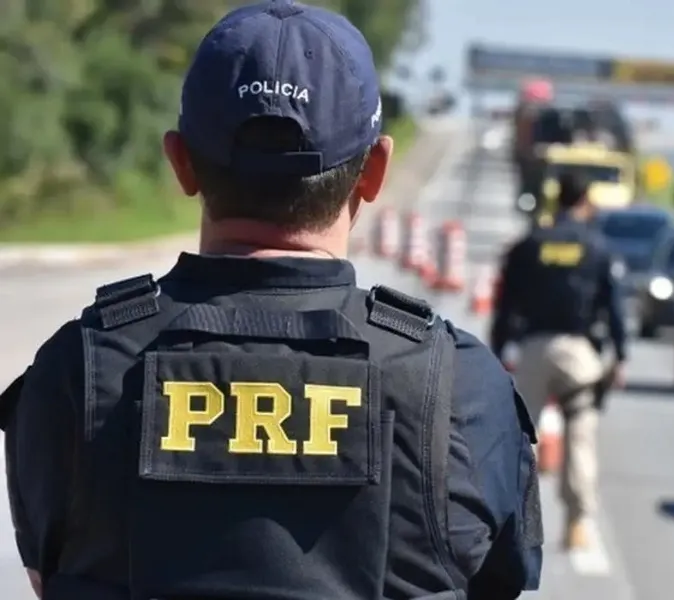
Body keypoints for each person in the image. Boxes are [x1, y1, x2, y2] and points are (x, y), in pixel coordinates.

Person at [0, 2, 542, 599]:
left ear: (181, 162)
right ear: (375, 171)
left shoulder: (75, 369)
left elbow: (45, 575)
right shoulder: (459, 385)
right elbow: (499, 582)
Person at [490, 172, 627, 551]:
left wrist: (499, 349)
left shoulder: (529, 245)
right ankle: (577, 524)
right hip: (578, 354)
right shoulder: (597, 247)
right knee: (580, 436)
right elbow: (613, 306)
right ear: (585, 201)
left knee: (520, 439)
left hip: (533, 349)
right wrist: (621, 355)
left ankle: (509, 523)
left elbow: (505, 304)